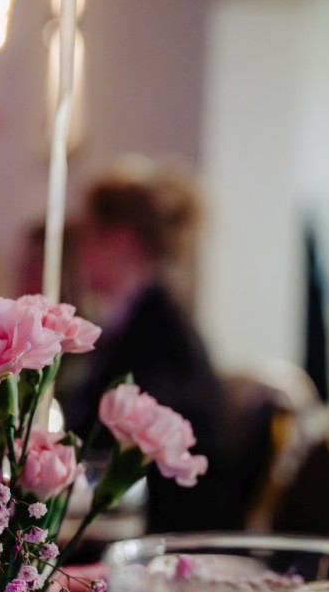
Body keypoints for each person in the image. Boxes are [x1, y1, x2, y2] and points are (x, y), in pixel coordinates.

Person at [63, 158, 235, 532]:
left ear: (122, 239)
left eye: (90, 235)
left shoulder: (162, 336)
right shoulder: (133, 320)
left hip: (165, 525)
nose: (82, 252)